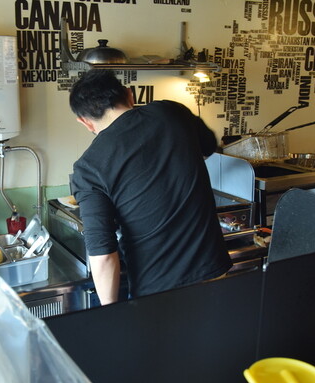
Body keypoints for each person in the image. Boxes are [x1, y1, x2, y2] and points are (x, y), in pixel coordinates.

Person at [69, 69, 232, 305]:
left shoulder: (88, 167)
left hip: (157, 291)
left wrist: (109, 312)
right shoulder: (173, 112)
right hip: (214, 271)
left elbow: (103, 254)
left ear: (85, 122)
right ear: (130, 95)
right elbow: (208, 145)